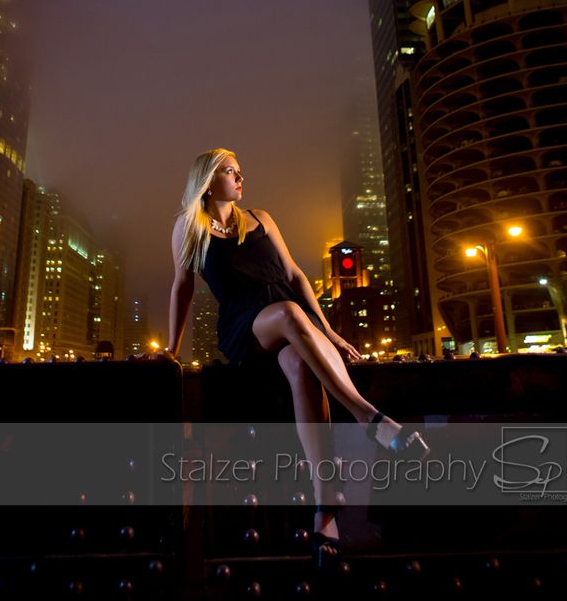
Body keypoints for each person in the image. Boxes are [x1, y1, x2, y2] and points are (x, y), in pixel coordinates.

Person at [161, 148, 430, 570]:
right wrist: (171, 352)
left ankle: (325, 513)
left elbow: (294, 276)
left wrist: (328, 331)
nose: (240, 177)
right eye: (231, 171)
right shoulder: (189, 227)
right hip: (245, 327)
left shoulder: (262, 218)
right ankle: (370, 420)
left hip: (290, 319)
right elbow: (182, 288)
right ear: (209, 180)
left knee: (301, 367)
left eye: (241, 171)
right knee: (288, 314)